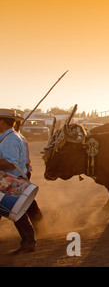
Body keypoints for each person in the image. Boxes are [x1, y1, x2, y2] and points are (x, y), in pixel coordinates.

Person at [0, 109, 37, 254]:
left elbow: (10, 163)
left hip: (11, 182)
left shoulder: (10, 139)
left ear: (1, 122)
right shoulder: (12, 136)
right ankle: (30, 239)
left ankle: (29, 241)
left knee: (17, 213)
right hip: (12, 180)